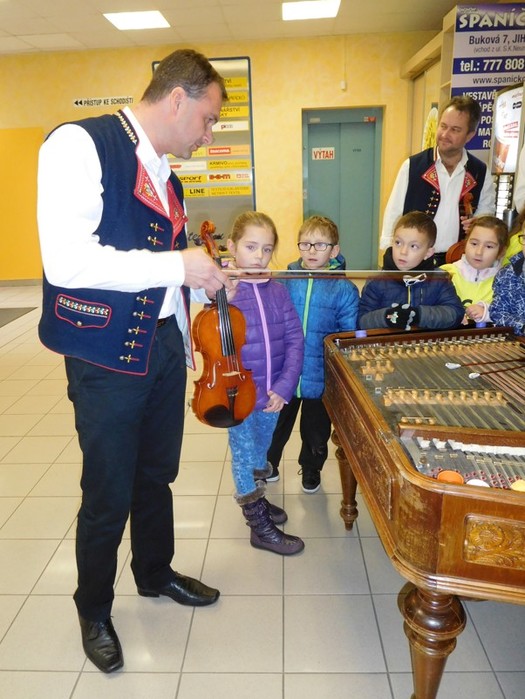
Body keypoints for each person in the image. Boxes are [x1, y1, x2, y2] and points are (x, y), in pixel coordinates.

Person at [36, 49, 233, 674]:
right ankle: (93, 609)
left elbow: (164, 268)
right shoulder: (79, 144)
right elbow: (67, 262)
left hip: (163, 345)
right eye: (207, 119)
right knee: (107, 490)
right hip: (104, 355)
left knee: (156, 475)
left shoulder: (168, 177)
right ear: (177, 99)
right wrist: (179, 264)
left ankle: (154, 571)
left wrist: (200, 287)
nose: (208, 135)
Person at [225, 211, 305, 555]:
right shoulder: (224, 293)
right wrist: (217, 293)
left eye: (267, 249)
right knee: (244, 455)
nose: (259, 256)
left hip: (273, 394)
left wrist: (285, 387)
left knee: (261, 449)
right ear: (232, 247)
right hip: (238, 395)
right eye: (251, 246)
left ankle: (258, 498)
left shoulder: (279, 292)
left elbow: (295, 340)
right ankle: (258, 524)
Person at [266, 215, 359, 493]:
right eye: (305, 244)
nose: (311, 251)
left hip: (320, 374)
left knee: (316, 429)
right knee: (276, 423)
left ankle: (311, 468)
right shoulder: (285, 280)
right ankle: (268, 463)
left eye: (320, 245)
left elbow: (347, 335)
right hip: (286, 372)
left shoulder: (344, 289)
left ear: (334, 250)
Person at [379, 95, 496, 265]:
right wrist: (391, 255)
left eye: (455, 130)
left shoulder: (480, 172)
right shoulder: (413, 166)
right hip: (414, 260)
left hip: (459, 262)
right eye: (443, 126)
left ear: (470, 135)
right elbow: (394, 213)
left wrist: (476, 224)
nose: (445, 134)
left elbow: (486, 217)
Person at [359, 211, 465, 331]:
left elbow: (455, 313)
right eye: (398, 243)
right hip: (389, 342)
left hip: (426, 342)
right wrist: (387, 316)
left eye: (413, 246)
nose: (403, 252)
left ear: (428, 253)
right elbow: (362, 321)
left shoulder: (439, 279)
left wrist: (418, 315)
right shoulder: (376, 281)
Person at [440, 215, 509, 325]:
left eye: (489, 246)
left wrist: (487, 313)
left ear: (501, 251)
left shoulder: (507, 281)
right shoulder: (445, 273)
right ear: (465, 243)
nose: (479, 252)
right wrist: (450, 314)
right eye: (474, 244)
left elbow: (513, 315)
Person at [490, 231, 525, 335]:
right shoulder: (507, 274)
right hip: (519, 339)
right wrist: (522, 327)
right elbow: (498, 312)